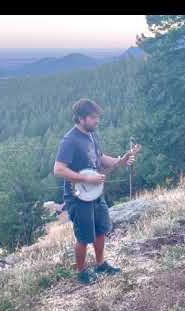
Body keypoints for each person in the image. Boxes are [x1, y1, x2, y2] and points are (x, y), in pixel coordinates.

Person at [53, 98, 136, 285]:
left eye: (97, 117)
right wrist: (86, 178)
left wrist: (120, 161)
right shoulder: (70, 140)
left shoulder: (92, 135)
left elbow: (99, 158)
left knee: (100, 229)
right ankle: (81, 272)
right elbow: (58, 169)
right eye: (93, 117)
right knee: (84, 236)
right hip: (78, 196)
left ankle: (100, 264)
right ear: (81, 118)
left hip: (95, 193)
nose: (97, 121)